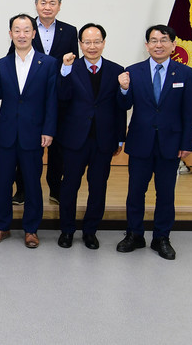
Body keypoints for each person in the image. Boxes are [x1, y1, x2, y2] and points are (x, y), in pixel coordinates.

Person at [116, 24, 192, 260]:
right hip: (141, 141)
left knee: (166, 194)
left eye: (163, 40)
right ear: (146, 45)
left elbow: (189, 111)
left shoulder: (184, 73)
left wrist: (187, 143)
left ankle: (161, 238)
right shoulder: (133, 71)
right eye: (153, 40)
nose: (158, 45)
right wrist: (123, 89)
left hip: (170, 143)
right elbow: (124, 105)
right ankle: (134, 234)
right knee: (135, 192)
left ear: (173, 45)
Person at [0, 14, 57, 249]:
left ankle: (31, 229)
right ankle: (1, 226)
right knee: (3, 182)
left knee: (32, 184)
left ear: (34, 34)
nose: (22, 35)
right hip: (6, 133)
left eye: (26, 30)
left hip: (34, 134)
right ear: (10, 34)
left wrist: (48, 130)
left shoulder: (48, 63)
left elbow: (52, 100)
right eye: (17, 30)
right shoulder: (2, 63)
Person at [56, 23, 126, 250]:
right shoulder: (69, 67)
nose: (92, 46)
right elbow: (61, 97)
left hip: (103, 140)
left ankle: (90, 231)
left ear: (104, 43)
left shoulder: (117, 70)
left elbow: (121, 107)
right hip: (74, 139)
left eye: (97, 42)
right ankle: (67, 230)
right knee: (69, 186)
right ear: (80, 44)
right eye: (87, 42)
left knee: (98, 187)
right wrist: (65, 72)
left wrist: (120, 137)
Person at [8, 0, 78, 206]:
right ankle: (22, 189)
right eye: (43, 2)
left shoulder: (69, 31)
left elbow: (73, 64)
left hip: (59, 96)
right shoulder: (25, 27)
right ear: (36, 4)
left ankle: (55, 188)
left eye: (52, 3)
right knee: (25, 144)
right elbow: (13, 58)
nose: (47, 7)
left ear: (59, 6)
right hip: (31, 97)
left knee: (57, 146)